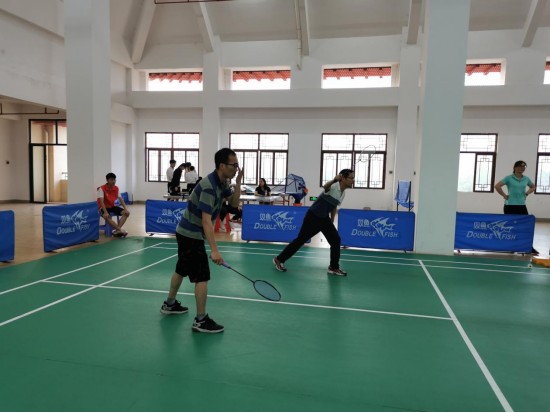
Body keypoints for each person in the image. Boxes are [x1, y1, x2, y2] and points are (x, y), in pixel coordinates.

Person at [160, 148, 245, 334]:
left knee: (182, 268)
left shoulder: (222, 182)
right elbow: (206, 221)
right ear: (222, 165)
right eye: (234, 165)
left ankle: (170, 304)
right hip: (191, 233)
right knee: (202, 276)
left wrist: (238, 182)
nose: (237, 168)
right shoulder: (209, 186)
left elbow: (233, 204)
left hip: (185, 231)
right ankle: (200, 320)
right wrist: (214, 249)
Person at [273, 169, 355, 276]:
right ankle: (279, 259)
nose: (353, 180)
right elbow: (325, 187)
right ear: (343, 178)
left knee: (335, 240)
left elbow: (333, 207)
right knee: (300, 240)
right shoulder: (334, 186)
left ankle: (333, 267)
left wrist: (331, 221)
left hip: (324, 218)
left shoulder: (343, 193)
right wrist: (334, 179)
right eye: (351, 178)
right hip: (313, 216)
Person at [495, 160, 538, 255]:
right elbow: (497, 186)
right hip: (510, 206)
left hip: (522, 205)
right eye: (520, 166)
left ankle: (528, 247)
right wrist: (504, 195)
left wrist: (527, 193)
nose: (522, 168)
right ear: (515, 167)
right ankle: (511, 247)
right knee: (511, 227)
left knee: (525, 227)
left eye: (524, 166)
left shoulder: (526, 179)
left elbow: (533, 186)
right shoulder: (509, 178)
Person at [97, 173, 131, 238]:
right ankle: (119, 230)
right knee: (107, 216)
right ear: (107, 180)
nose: (113, 181)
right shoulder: (102, 188)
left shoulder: (116, 188)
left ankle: (117, 230)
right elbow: (101, 202)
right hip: (103, 207)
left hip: (112, 206)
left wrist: (126, 209)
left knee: (126, 213)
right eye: (111, 180)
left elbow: (121, 199)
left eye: (114, 180)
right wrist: (105, 212)